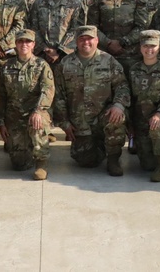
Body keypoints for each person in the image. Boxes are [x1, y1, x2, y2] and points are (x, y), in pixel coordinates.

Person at [53, 25, 130, 175]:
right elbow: (58, 96)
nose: (86, 42)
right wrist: (65, 123)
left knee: (117, 119)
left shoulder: (108, 61)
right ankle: (98, 146)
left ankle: (113, 159)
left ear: (96, 40)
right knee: (86, 161)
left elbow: (122, 86)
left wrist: (119, 105)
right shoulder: (65, 64)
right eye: (82, 39)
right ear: (76, 41)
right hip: (80, 121)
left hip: (103, 116)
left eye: (90, 39)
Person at [0, 30, 55, 180]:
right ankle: (21, 146)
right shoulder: (7, 67)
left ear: (33, 44)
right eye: (20, 41)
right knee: (19, 164)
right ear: (15, 44)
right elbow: (0, 96)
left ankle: (41, 163)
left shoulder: (41, 65)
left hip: (35, 112)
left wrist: (38, 110)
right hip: (14, 116)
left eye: (28, 42)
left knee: (37, 124)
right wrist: (1, 123)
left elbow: (47, 90)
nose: (24, 45)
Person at [127, 30, 160, 182]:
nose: (149, 50)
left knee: (157, 128)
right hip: (141, 119)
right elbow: (129, 97)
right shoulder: (134, 69)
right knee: (147, 165)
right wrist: (129, 124)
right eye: (146, 46)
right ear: (140, 47)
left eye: (153, 46)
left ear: (159, 48)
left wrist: (159, 113)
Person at [87, 0, 150, 75]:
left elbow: (142, 26)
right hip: (105, 54)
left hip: (130, 55)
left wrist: (122, 42)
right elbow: (92, 26)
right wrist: (108, 43)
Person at [29, 0, 83, 65]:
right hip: (42, 56)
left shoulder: (75, 4)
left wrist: (59, 51)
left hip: (67, 56)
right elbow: (33, 29)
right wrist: (45, 49)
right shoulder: (38, 4)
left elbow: (76, 29)